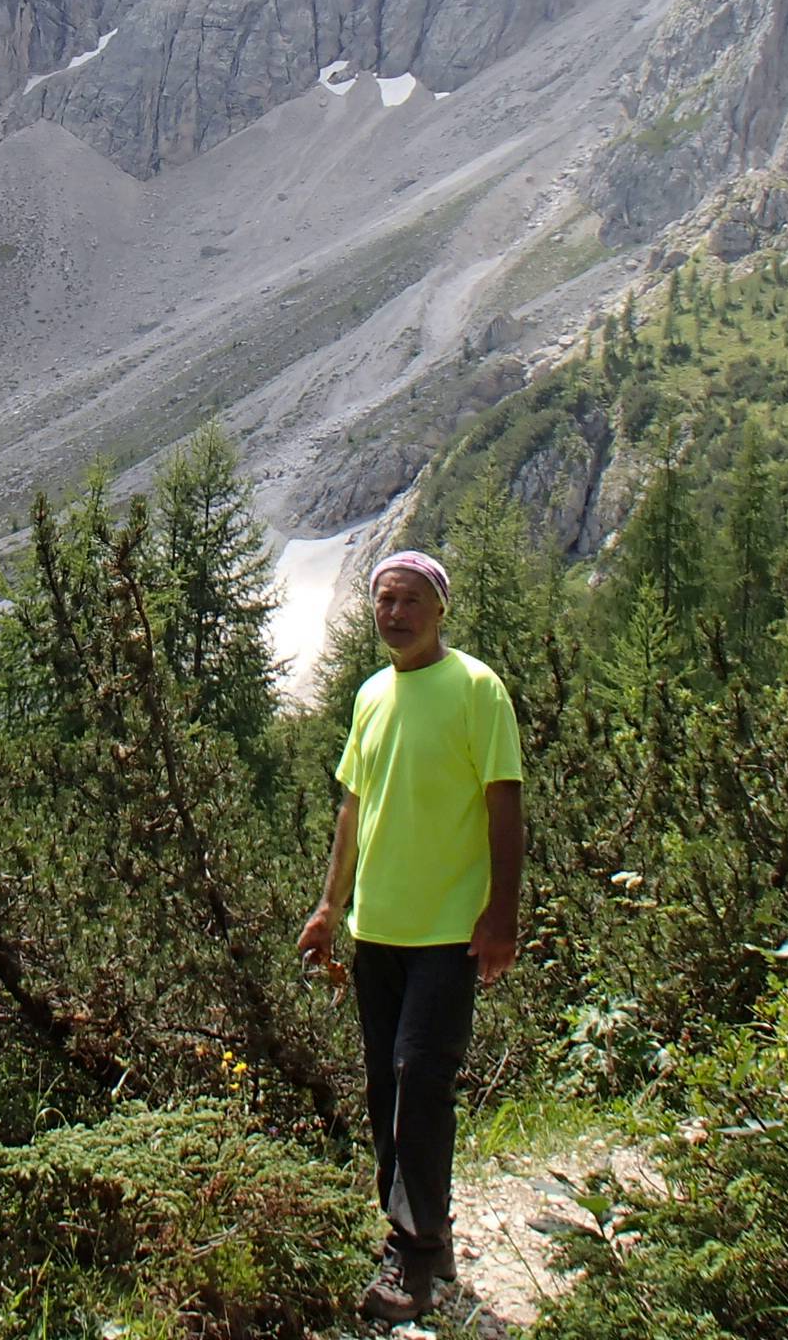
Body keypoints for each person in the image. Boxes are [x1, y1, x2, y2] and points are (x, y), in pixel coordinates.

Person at [296, 548, 525, 1324]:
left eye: (410, 600)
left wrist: (502, 915)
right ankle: (428, 1237)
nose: (395, 614)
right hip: (378, 930)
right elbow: (353, 810)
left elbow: (504, 805)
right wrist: (330, 908)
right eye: (384, 601)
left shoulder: (477, 688)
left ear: (439, 608)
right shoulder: (370, 696)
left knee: (421, 1080)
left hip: (448, 931)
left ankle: (412, 1259)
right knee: (387, 1087)